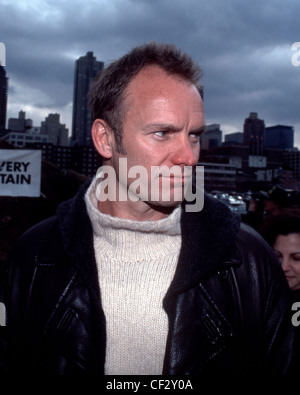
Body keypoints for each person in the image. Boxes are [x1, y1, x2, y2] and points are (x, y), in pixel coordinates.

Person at [2, 42, 296, 375]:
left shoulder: (250, 261)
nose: (188, 156)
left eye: (194, 135)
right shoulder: (34, 257)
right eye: (162, 133)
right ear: (105, 139)